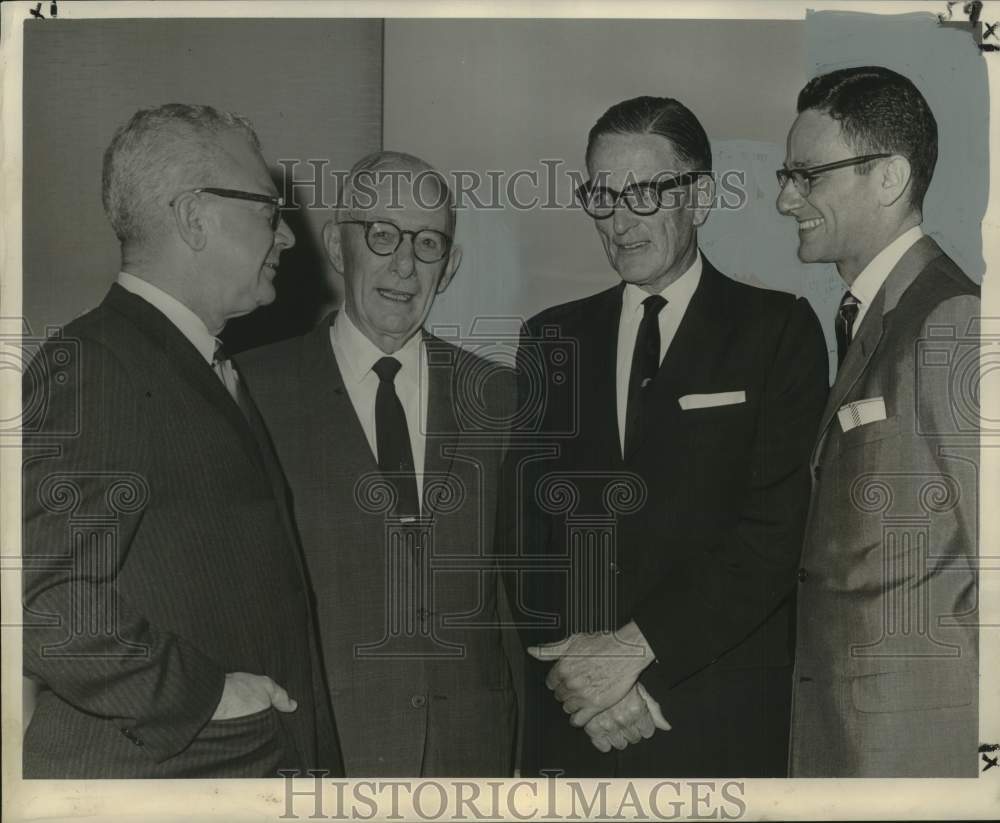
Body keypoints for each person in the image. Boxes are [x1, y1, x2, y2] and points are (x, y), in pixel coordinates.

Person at [510, 95, 829, 777]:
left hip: (714, 716)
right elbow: (526, 534)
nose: (620, 222)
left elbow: (774, 535)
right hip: (578, 722)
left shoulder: (778, 331)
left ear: (701, 196)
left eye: (645, 194)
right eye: (602, 195)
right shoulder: (550, 339)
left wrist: (638, 656)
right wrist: (582, 681)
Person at [21, 103, 343, 778]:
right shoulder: (97, 363)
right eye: (267, 210)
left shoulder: (197, 363)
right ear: (195, 217)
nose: (285, 237)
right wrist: (205, 695)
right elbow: (43, 600)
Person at [238, 151, 517, 776]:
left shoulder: (501, 398)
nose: (404, 265)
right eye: (383, 235)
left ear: (450, 268)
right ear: (339, 246)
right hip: (318, 756)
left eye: (427, 244)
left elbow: (518, 601)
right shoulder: (253, 391)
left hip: (472, 763)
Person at [777, 66, 980, 777]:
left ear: (888, 177)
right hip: (856, 743)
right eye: (786, 175)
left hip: (916, 754)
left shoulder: (952, 320)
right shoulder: (878, 319)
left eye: (808, 175)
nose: (784, 198)